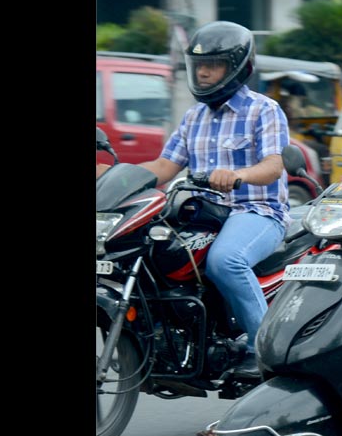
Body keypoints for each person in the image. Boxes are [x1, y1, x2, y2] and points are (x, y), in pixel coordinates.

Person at [100, 21, 290, 378]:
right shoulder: (194, 117)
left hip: (257, 211)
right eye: (198, 65)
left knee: (225, 260)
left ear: (237, 66)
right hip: (201, 213)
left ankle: (263, 347)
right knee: (146, 251)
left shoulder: (263, 110)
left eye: (212, 64)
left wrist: (238, 175)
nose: (202, 72)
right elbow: (164, 166)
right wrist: (114, 177)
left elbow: (273, 166)